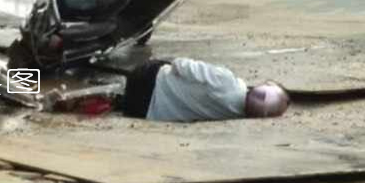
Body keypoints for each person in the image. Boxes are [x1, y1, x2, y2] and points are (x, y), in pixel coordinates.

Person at [122, 57, 291, 122]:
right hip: (142, 111)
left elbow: (181, 65)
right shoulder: (235, 117)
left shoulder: (226, 81)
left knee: (166, 63)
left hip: (144, 81)